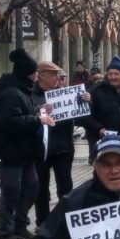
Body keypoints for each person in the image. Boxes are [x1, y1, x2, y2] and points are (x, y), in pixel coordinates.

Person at [0, 49, 55, 239]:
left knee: (31, 188)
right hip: (11, 151)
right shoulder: (11, 93)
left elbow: (24, 113)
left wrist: (39, 112)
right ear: (27, 73)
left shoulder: (22, 90)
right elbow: (9, 121)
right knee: (11, 191)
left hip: (25, 151)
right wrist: (38, 119)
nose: (37, 75)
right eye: (35, 72)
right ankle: (5, 233)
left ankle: (20, 225)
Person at [34, 64, 87, 226]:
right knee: (41, 187)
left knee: (65, 185)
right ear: (41, 76)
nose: (58, 79)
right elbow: (26, 115)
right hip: (42, 148)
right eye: (53, 75)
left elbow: (80, 118)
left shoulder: (64, 93)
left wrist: (85, 102)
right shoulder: (32, 94)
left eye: (59, 76)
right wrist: (40, 111)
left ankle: (65, 220)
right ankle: (42, 222)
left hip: (64, 145)